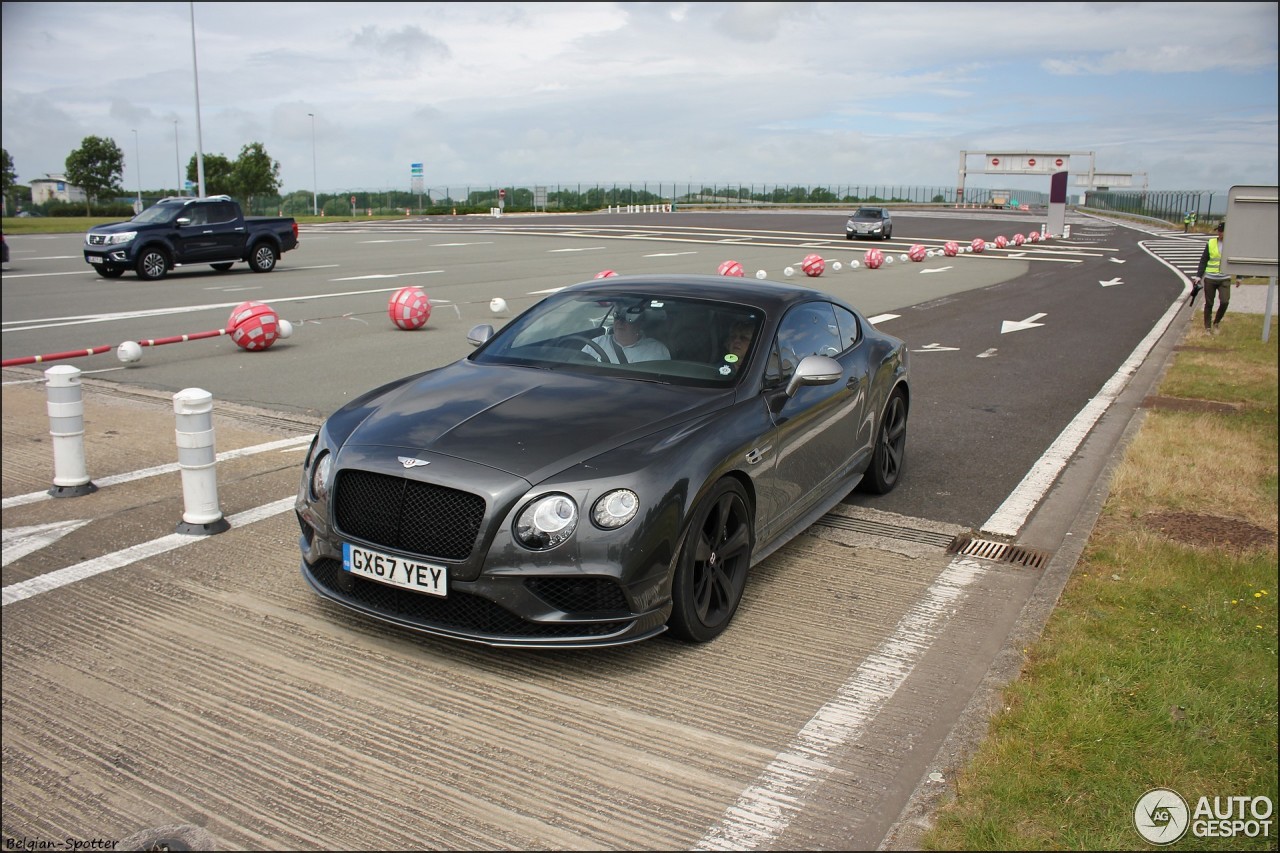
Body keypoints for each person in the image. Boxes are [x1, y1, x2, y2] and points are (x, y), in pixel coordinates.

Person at [1192, 222, 1237, 336]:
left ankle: (1216, 322)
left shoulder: (1231, 244)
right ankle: (1207, 327)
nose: (1220, 233)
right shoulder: (1211, 243)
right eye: (1219, 231)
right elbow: (1204, 260)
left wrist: (1239, 277)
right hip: (1210, 278)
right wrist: (1198, 276)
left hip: (1225, 278)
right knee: (1209, 303)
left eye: (1222, 231)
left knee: (1225, 301)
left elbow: (1235, 260)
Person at [586, 305, 670, 363]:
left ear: (639, 324)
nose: (620, 322)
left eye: (627, 318)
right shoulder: (596, 343)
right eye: (617, 317)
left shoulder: (656, 349)